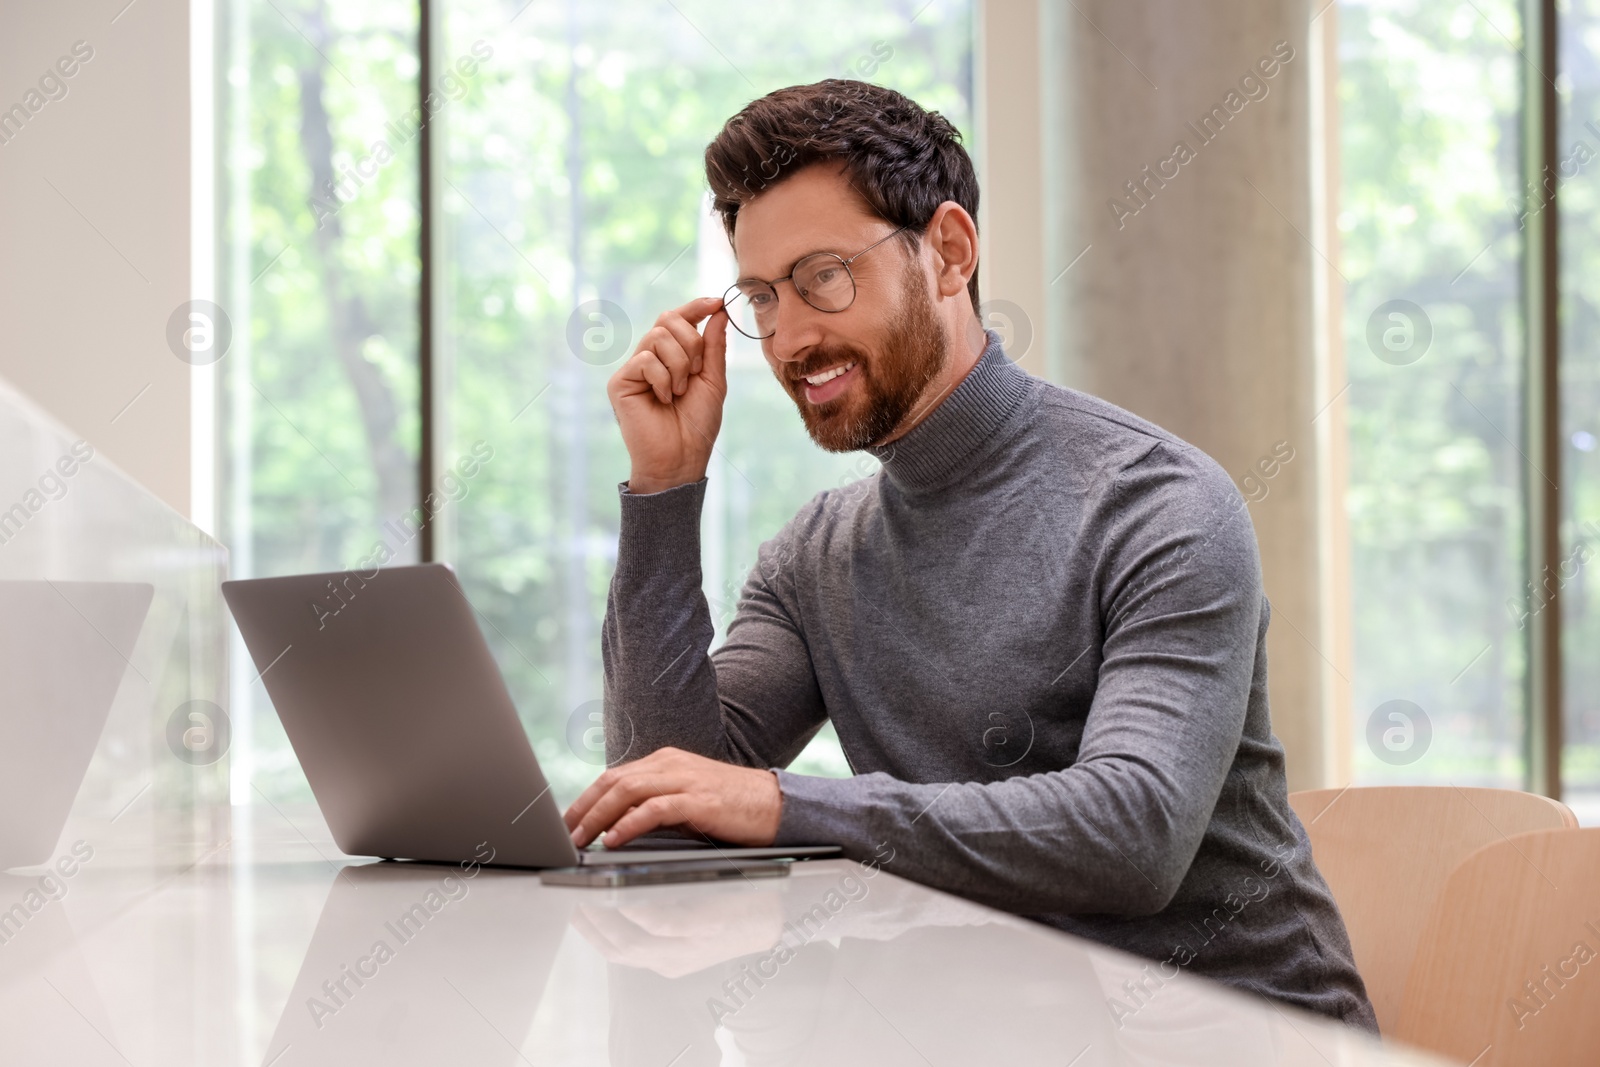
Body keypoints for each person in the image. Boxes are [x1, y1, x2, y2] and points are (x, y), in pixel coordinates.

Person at [562, 78, 1378, 1032]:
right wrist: (664, 490)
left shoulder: (1159, 503)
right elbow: (672, 796)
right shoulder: (816, 554)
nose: (788, 336)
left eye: (823, 276)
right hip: (990, 1031)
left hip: (1238, 1038)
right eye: (761, 296)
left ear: (949, 252)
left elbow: (1133, 835)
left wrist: (789, 805)